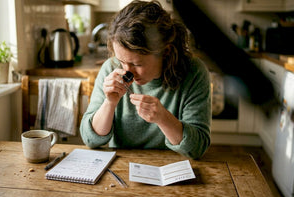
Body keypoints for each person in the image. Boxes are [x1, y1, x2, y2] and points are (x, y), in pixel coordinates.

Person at [80, 0, 211, 159]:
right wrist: (110, 103)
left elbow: (197, 148)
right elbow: (90, 140)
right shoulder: (111, 68)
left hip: (175, 169)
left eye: (136, 63)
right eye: (122, 61)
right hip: (123, 168)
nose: (128, 73)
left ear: (166, 51)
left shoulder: (194, 72)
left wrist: (163, 118)